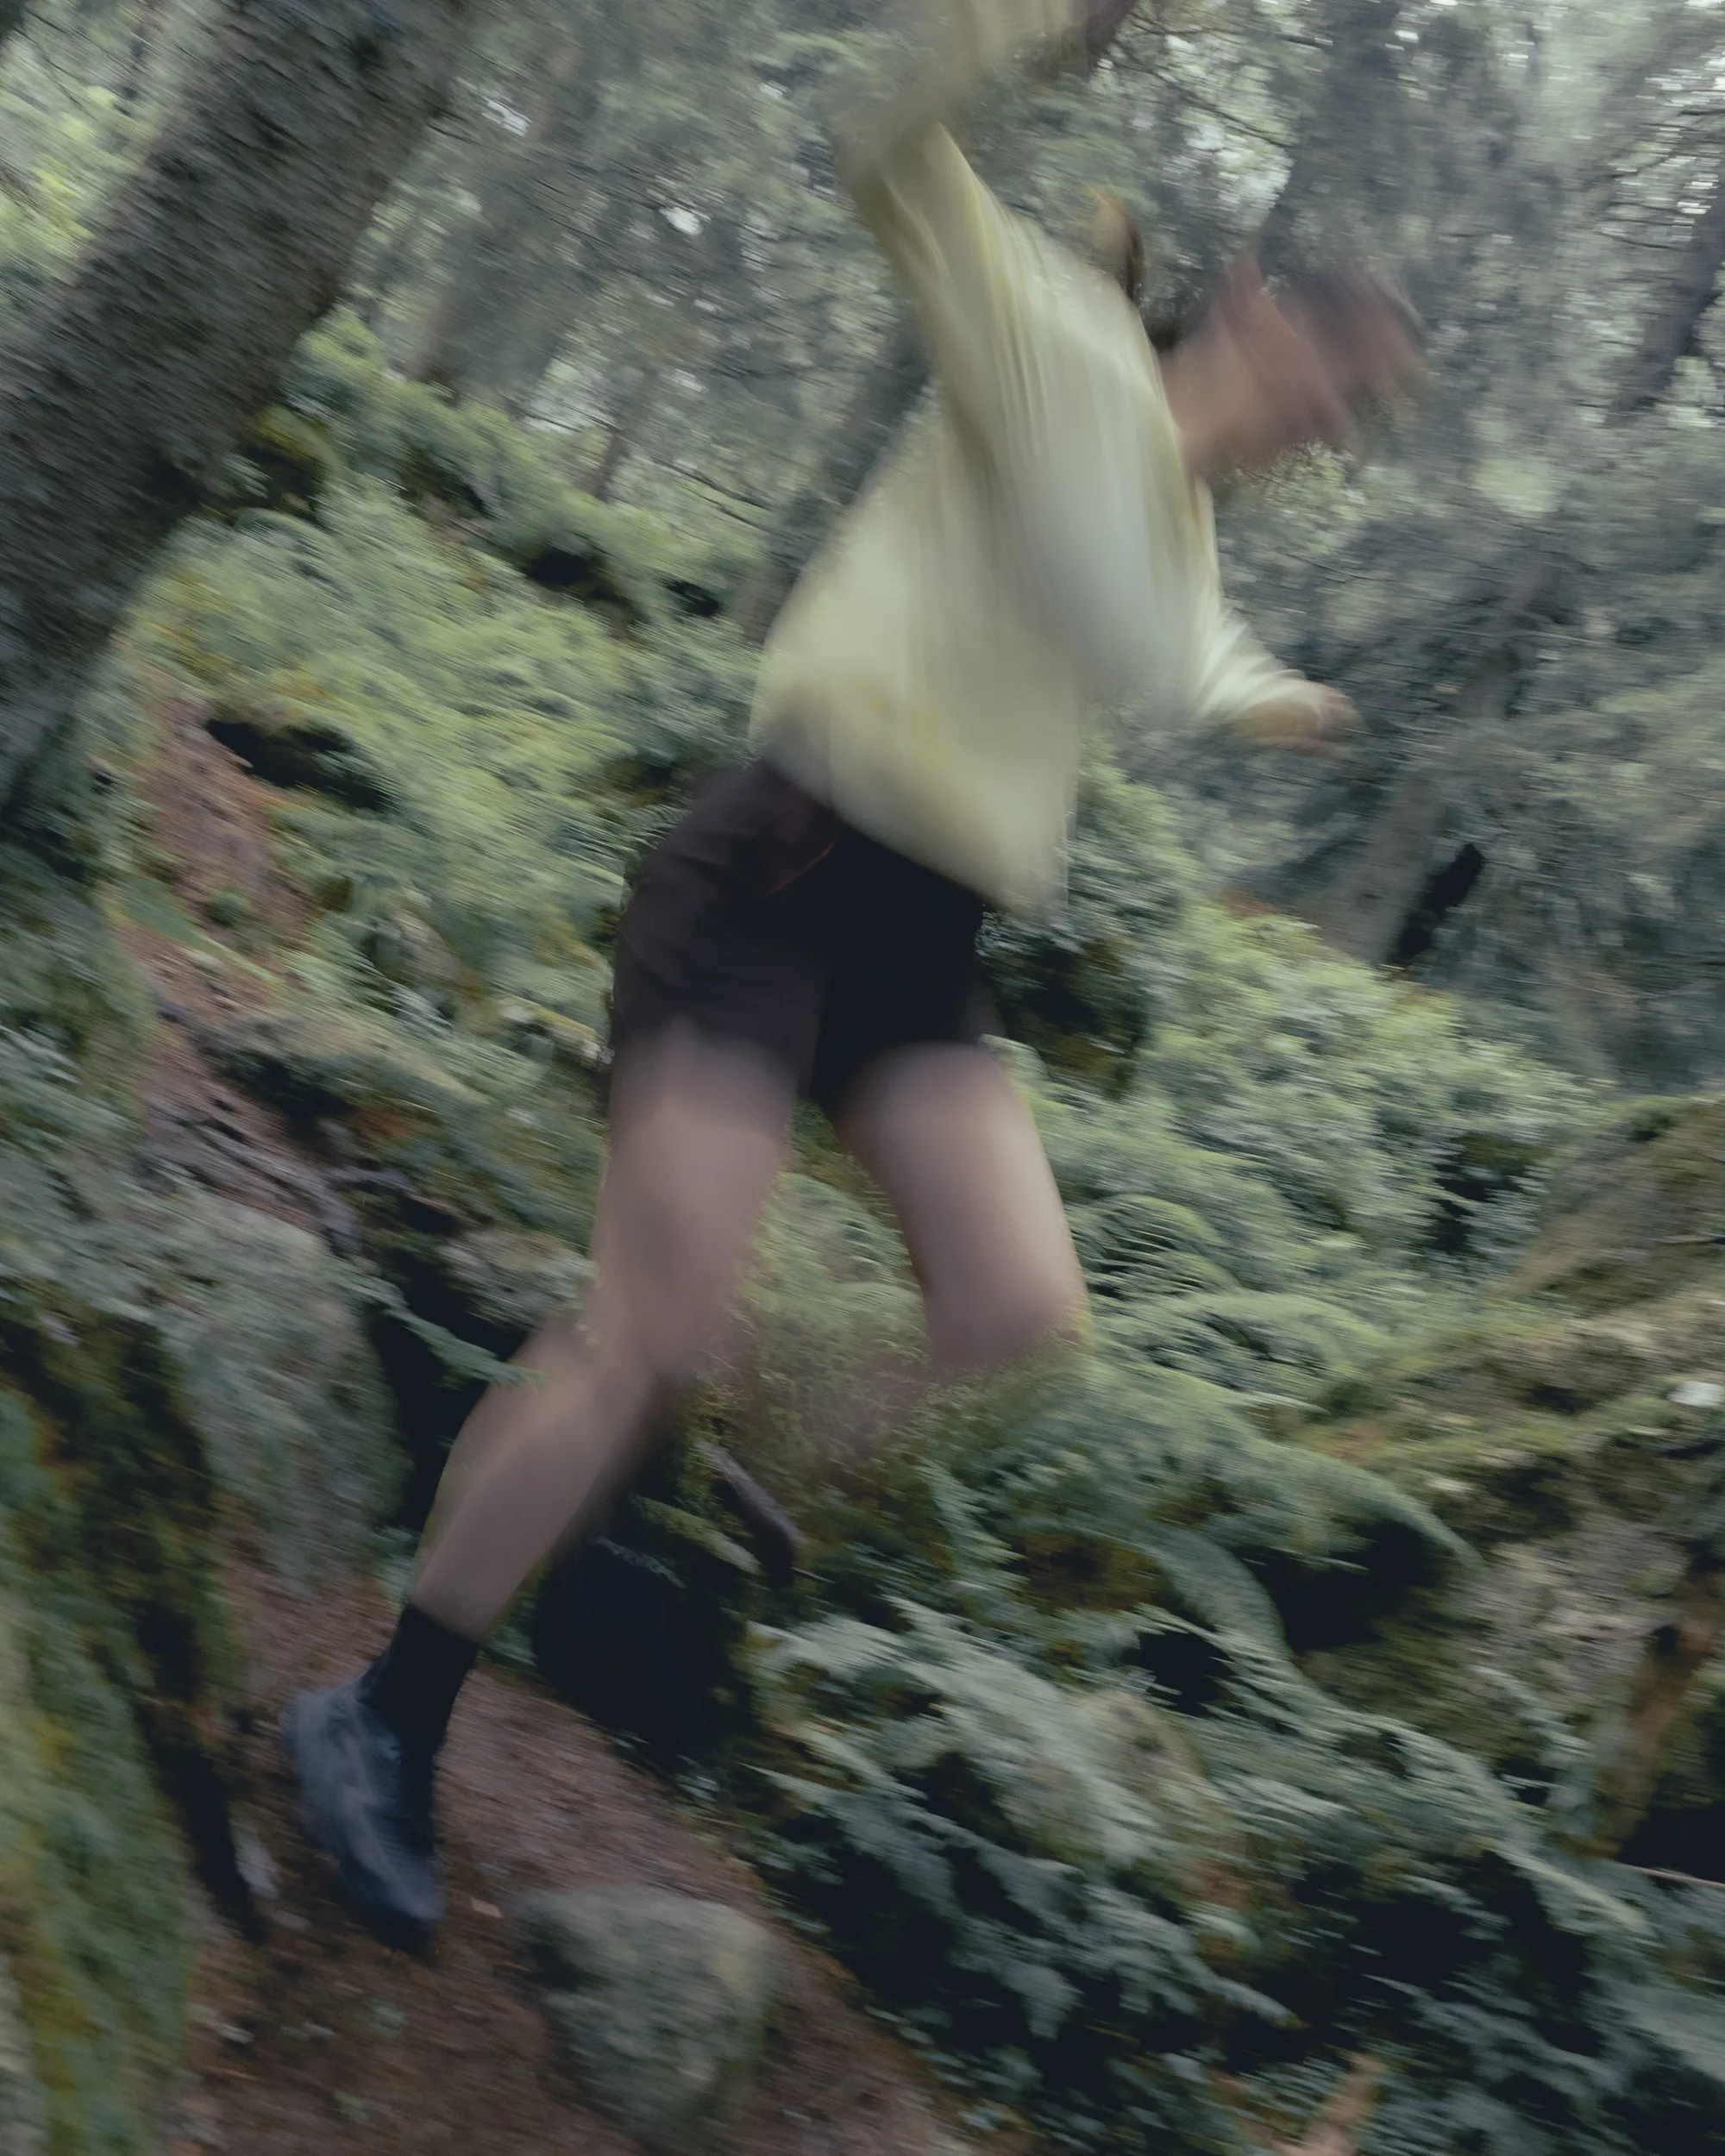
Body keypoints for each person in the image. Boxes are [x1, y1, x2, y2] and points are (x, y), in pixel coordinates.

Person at [282, 0, 1423, 1942]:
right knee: (644, 1322)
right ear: (1247, 300)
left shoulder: (1176, 518)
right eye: (1338, 360)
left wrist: (1276, 696)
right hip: (781, 868)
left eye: (1364, 404)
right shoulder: (1051, 338)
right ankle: (385, 1711)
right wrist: (1005, 37)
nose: (1338, 408)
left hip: (920, 941)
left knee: (1016, 1316)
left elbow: (1182, 648)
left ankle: (655, 1469)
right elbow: (886, 151)